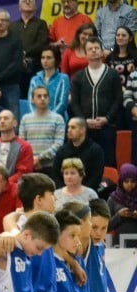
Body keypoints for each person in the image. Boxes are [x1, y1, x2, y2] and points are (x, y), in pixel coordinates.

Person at [69, 37, 122, 165]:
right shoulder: (78, 76)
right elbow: (74, 102)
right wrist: (83, 121)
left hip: (107, 127)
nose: (93, 51)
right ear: (85, 54)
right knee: (85, 163)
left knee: (108, 162)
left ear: (102, 52)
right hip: (85, 129)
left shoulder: (113, 74)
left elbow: (118, 100)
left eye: (96, 48)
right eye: (90, 49)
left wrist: (107, 118)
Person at [0, 110, 34, 187]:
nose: (2, 121)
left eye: (6, 118)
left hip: (14, 191)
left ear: (15, 123)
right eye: (0, 118)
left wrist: (3, 184)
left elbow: (24, 173)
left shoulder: (25, 147)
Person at [52, 116, 105, 190]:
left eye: (73, 127)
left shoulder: (95, 150)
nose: (69, 130)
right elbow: (56, 175)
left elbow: (96, 177)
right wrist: (65, 191)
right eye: (68, 127)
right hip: (65, 194)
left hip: (87, 194)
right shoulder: (62, 151)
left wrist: (81, 192)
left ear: (82, 130)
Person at [12, 0, 49, 96]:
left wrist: (25, 53)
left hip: (35, 69)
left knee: (35, 96)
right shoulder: (12, 26)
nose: (28, 2)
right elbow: (9, 45)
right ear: (19, 7)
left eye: (31, 1)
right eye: (25, 0)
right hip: (16, 70)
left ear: (35, 6)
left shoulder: (41, 24)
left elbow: (43, 43)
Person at [29, 45, 70, 120]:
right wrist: (38, 117)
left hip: (57, 121)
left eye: (49, 58)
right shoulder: (34, 80)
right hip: (37, 121)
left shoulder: (63, 78)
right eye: (43, 58)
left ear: (56, 60)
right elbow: (31, 102)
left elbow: (63, 103)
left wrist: (49, 118)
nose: (45, 61)